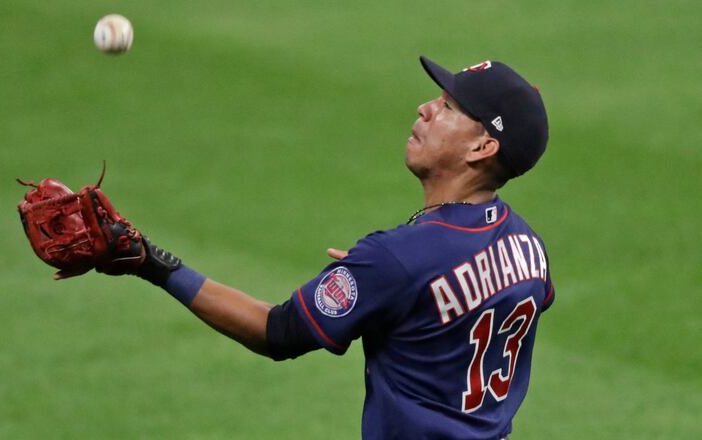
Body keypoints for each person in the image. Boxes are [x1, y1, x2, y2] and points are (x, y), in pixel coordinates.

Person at [99, 56, 554, 440]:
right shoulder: (528, 246)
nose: (425, 109)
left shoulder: (397, 258)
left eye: (449, 107)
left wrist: (151, 262)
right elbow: (477, 303)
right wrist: (389, 290)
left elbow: (277, 332)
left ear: (482, 146)